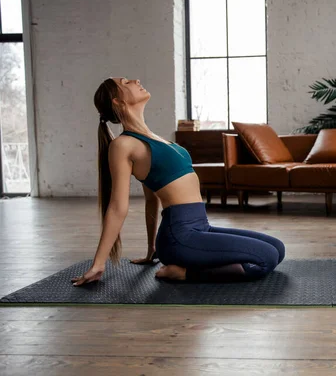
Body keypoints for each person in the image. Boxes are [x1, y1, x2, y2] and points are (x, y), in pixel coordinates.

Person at [71, 77, 285, 286]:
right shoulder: (123, 145)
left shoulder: (155, 138)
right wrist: (99, 264)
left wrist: (151, 248)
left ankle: (173, 258)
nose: (136, 80)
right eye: (126, 83)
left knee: (277, 248)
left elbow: (151, 199)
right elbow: (118, 207)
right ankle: (184, 274)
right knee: (265, 258)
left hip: (200, 226)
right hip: (181, 235)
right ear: (118, 101)